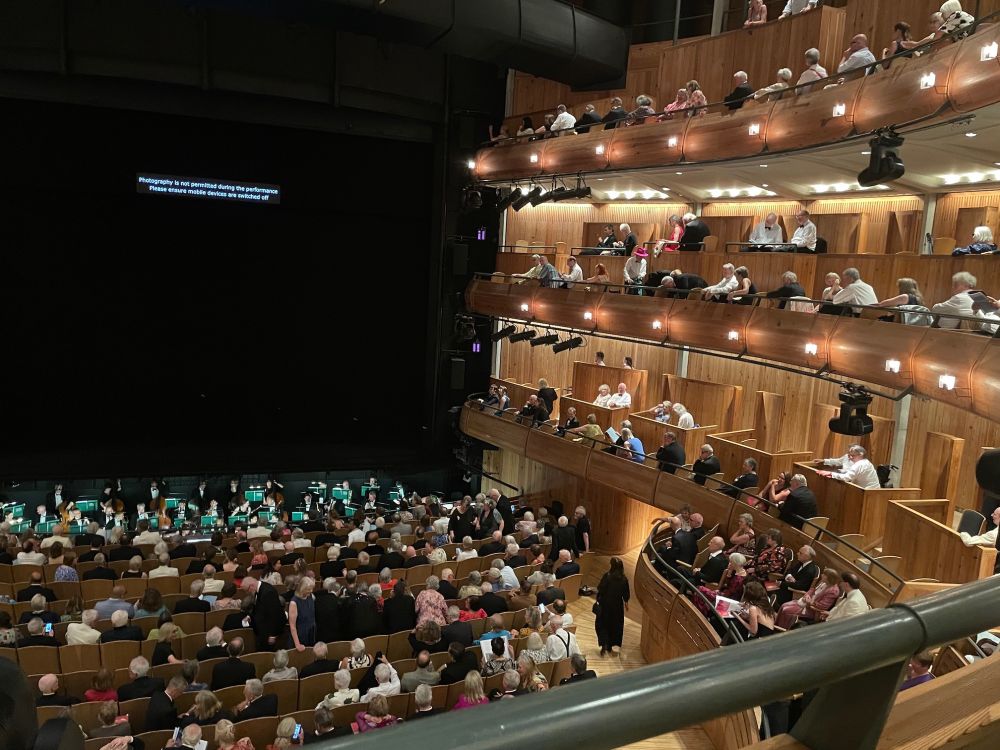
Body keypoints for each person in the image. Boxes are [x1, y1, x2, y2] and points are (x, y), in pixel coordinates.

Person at [776, 567, 841, 628]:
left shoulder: (833, 591)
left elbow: (822, 606)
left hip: (812, 610)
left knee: (786, 610)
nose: (822, 575)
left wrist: (809, 602)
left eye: (824, 574)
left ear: (829, 578)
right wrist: (806, 595)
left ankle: (783, 629)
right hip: (806, 602)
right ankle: (777, 626)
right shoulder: (824, 582)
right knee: (783, 605)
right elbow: (812, 589)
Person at [595, 556, 630, 656]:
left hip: (605, 605)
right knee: (615, 626)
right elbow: (626, 594)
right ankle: (612, 646)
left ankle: (604, 645)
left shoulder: (607, 576)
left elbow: (600, 589)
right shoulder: (624, 579)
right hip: (617, 606)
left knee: (603, 624)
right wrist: (626, 603)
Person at [815, 445, 880, 489]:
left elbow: (846, 477)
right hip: (870, 490)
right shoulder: (865, 462)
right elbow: (838, 461)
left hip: (869, 492)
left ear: (861, 455)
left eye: (853, 455)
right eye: (849, 455)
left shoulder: (860, 464)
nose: (850, 458)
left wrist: (830, 473)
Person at [288, 576, 316, 651]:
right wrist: (298, 644)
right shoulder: (294, 603)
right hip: (300, 636)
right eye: (308, 589)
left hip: (311, 633)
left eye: (311, 589)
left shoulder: (310, 596)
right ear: (302, 589)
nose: (311, 591)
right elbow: (292, 626)